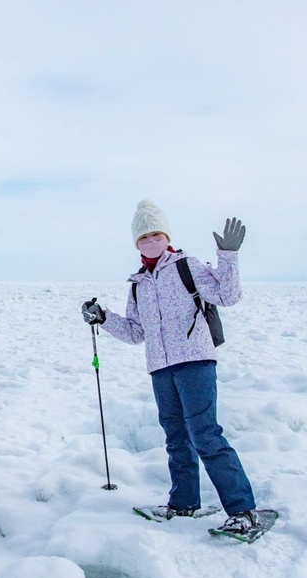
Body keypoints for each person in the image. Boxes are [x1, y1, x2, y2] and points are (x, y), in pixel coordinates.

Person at [81, 198, 257, 535]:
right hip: (160, 368)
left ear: (167, 236)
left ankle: (243, 510)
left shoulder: (186, 266)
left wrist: (228, 256)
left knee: (205, 434)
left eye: (156, 234)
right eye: (144, 237)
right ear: (136, 243)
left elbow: (228, 295)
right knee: (176, 438)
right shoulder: (138, 284)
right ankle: (183, 503)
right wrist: (103, 318)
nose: (150, 241)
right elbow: (136, 332)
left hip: (195, 361)